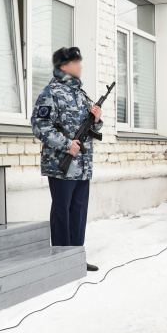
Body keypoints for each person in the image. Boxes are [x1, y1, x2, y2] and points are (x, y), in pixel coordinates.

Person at [32, 46, 103, 272]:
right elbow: (40, 125)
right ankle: (62, 260)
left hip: (82, 165)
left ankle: (76, 257)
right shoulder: (51, 93)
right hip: (61, 165)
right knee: (62, 212)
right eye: (76, 62)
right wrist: (66, 144)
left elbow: (93, 129)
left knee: (79, 212)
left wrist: (97, 120)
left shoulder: (81, 94)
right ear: (63, 66)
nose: (80, 65)